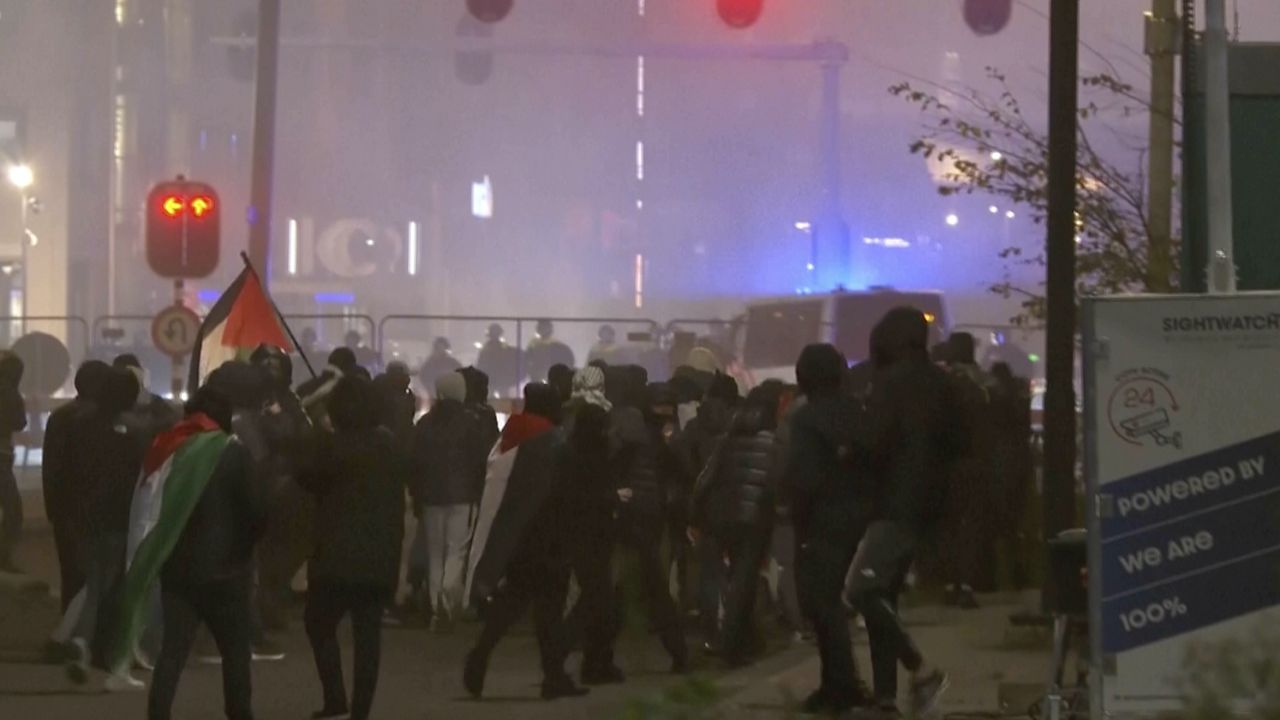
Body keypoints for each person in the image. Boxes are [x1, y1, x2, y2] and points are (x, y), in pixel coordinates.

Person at [846, 308, 961, 719]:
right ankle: (886, 699)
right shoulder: (942, 385)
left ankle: (919, 668)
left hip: (893, 502)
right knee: (883, 597)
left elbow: (873, 441)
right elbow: (958, 444)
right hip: (930, 505)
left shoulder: (889, 384)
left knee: (860, 589)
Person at [147, 383, 268, 720]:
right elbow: (257, 511)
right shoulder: (234, 452)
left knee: (172, 651)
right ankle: (239, 712)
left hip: (177, 568)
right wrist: (245, 550)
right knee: (234, 652)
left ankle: (158, 713)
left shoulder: (168, 449)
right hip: (228, 569)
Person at [463, 383, 587, 701]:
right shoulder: (559, 444)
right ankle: (553, 677)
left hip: (526, 540)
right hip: (554, 540)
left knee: (512, 604)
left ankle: (481, 653)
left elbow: (516, 500)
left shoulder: (523, 441)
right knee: (549, 613)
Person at [300, 376, 408, 720]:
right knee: (368, 637)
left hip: (333, 556)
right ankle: (361, 710)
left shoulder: (331, 447)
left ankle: (335, 697)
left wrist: (319, 425)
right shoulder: (389, 445)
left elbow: (306, 477)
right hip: (379, 556)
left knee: (319, 624)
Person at [786, 344, 872, 716]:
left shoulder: (805, 420)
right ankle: (854, 684)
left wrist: (797, 518)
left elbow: (804, 479)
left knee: (823, 607)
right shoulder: (859, 412)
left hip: (823, 520)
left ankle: (839, 686)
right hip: (862, 516)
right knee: (850, 603)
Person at [689, 385, 781, 667]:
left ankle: (743, 639)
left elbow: (706, 477)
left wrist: (696, 510)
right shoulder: (773, 440)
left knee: (727, 579)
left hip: (720, 515)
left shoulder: (729, 437)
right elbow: (776, 482)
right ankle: (733, 645)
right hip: (752, 518)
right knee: (744, 579)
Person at [63, 367, 144, 687]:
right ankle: (108, 655)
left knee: (92, 581)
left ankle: (81, 641)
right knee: (112, 586)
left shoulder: (80, 425)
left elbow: (68, 472)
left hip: (85, 516)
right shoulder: (137, 431)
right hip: (118, 518)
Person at [607, 365, 689, 674]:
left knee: (621, 587)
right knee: (650, 587)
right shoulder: (656, 436)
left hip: (631, 514)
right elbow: (681, 473)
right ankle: (677, 652)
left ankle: (593, 652)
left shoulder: (626, 429)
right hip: (649, 516)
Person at [248, 345, 316, 634]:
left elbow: (302, 433)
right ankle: (263, 610)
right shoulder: (257, 401)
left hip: (287, 481)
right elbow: (284, 434)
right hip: (265, 481)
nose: (272, 370)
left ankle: (270, 604)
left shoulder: (289, 399)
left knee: (284, 550)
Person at [411, 372, 486, 629]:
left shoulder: (424, 424)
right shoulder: (472, 423)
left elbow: (416, 464)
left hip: (431, 497)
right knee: (456, 552)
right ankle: (448, 602)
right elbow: (480, 462)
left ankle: (435, 608)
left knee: (435, 554)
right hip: (463, 495)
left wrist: (417, 494)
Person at [43, 361, 110, 616]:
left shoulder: (60, 416)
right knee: (99, 577)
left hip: (66, 510)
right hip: (96, 510)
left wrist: (53, 508)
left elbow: (51, 466)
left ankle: (69, 629)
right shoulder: (101, 419)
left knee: (70, 574)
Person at [939, 332, 996, 607]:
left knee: (949, 524)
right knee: (971, 525)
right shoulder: (984, 382)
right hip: (978, 460)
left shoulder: (943, 382)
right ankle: (967, 583)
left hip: (949, 462)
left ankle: (950, 582)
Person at [0, 352, 26, 572]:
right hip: (2, 456)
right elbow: (19, 422)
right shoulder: (10, 392)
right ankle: (3, 558)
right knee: (13, 511)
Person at [525, 319, 576, 384]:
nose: (541, 329)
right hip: (537, 375)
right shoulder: (533, 343)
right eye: (540, 327)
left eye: (544, 327)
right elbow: (528, 358)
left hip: (549, 375)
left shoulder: (556, 345)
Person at [476, 325, 518, 397]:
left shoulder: (485, 348)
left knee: (491, 398)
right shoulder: (504, 347)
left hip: (493, 379)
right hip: (499, 378)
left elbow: (480, 364)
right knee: (502, 398)